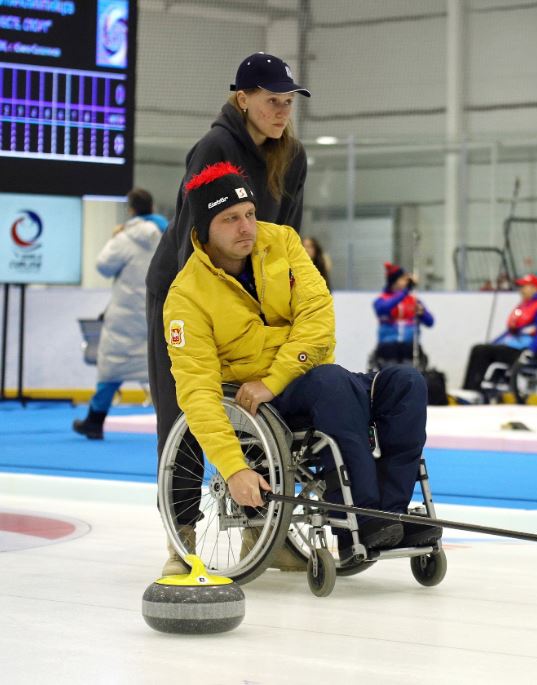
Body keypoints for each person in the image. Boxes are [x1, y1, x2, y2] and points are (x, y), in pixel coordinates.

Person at [162, 162, 438, 575]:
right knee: (331, 382)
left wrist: (275, 380)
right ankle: (359, 519)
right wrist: (234, 468)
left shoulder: (283, 242)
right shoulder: (186, 296)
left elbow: (317, 316)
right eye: (230, 219)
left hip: (305, 380)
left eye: (249, 214)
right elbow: (196, 391)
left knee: (406, 383)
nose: (246, 227)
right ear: (204, 228)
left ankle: (390, 516)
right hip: (260, 405)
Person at [145, 52, 310, 488]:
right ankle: (182, 523)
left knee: (259, 398)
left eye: (288, 102)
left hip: (251, 292)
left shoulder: (293, 156)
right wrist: (202, 306)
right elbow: (191, 235)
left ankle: (259, 518)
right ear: (242, 99)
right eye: (272, 100)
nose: (282, 111)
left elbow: (286, 237)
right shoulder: (215, 148)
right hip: (186, 286)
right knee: (185, 402)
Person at [72, 189, 167, 439]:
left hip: (125, 316)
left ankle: (94, 421)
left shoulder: (125, 237)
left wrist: (116, 236)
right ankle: (173, 427)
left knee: (112, 369)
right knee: (161, 373)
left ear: (131, 209)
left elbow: (103, 266)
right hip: (156, 312)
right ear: (152, 207)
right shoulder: (167, 234)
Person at [461, 273, 537, 393]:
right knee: (479, 349)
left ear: (534, 288)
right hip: (511, 347)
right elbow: (510, 332)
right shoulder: (524, 307)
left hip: (522, 351)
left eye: (524, 286)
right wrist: (493, 343)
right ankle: (469, 388)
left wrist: (531, 351)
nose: (521, 290)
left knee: (481, 350)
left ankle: (473, 389)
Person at [372, 262, 434, 366]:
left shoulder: (413, 300)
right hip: (388, 349)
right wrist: (405, 291)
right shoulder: (382, 300)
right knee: (390, 365)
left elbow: (430, 322)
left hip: (409, 349)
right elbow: (383, 309)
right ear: (394, 281)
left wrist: (422, 313)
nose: (406, 281)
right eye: (403, 279)